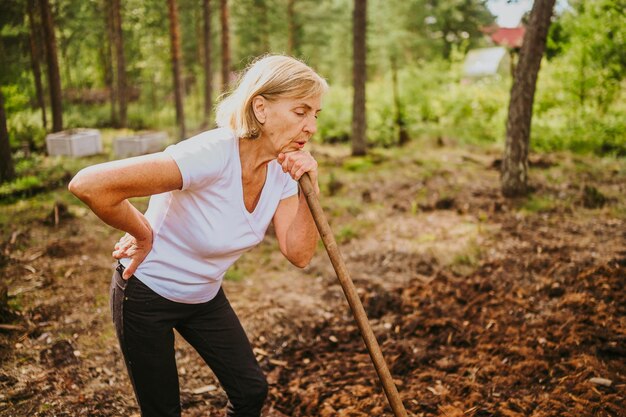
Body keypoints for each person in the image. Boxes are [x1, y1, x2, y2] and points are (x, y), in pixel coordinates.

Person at [68, 55, 328, 417]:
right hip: (146, 294)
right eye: (301, 112)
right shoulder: (213, 154)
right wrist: (142, 231)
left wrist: (309, 190)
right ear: (261, 108)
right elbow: (89, 185)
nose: (311, 126)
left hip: (204, 297)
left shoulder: (284, 169)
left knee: (251, 390)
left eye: (316, 114)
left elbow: (298, 254)